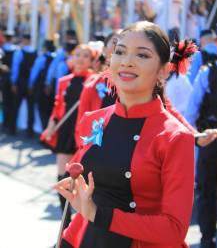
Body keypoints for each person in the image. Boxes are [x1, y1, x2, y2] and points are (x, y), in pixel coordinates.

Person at [54, 21, 198, 248]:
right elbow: (87, 196)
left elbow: (174, 230)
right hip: (82, 239)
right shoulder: (93, 120)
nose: (127, 61)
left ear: (163, 70)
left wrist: (99, 214)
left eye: (142, 55)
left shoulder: (175, 138)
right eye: (119, 52)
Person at [42, 44, 96, 229]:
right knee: (62, 177)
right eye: (77, 54)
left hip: (85, 134)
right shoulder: (64, 80)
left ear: (92, 60)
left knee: (83, 180)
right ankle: (66, 225)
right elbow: (58, 106)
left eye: (86, 55)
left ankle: (82, 226)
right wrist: (50, 126)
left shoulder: (95, 81)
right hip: (65, 131)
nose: (80, 58)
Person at [185, 22, 217, 248]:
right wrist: (197, 138)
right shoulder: (207, 73)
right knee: (208, 190)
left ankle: (209, 238)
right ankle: (207, 238)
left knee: (212, 191)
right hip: (211, 138)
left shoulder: (208, 72)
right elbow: (191, 113)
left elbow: (190, 113)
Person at [10, 34, 37, 136]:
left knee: (16, 106)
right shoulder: (35, 52)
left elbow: (15, 69)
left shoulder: (19, 52)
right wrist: (31, 83)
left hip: (21, 83)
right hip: (30, 85)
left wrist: (13, 82)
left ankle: (12, 128)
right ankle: (30, 130)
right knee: (30, 108)